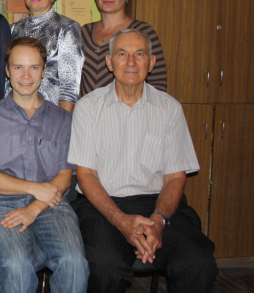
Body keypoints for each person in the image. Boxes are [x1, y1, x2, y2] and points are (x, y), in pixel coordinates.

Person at [68, 29, 217, 293]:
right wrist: (122, 221)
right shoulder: (88, 107)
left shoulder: (169, 108)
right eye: (122, 54)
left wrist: (158, 221)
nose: (131, 62)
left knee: (197, 260)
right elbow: (86, 174)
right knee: (105, 266)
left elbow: (175, 177)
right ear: (109, 62)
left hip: (159, 205)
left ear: (151, 62)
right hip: (103, 205)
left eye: (139, 54)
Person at [0, 37, 89, 293]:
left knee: (74, 263)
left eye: (34, 67)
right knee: (17, 265)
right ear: (7, 71)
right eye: (18, 67)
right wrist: (33, 188)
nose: (26, 76)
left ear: (44, 70)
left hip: (52, 203)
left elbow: (64, 176)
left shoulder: (62, 119)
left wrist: (34, 208)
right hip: (1, 203)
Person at [79, 0, 167, 97]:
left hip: (129, 108)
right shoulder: (83, 32)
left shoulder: (143, 32)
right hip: (86, 108)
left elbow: (158, 82)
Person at [8, 0, 83, 113]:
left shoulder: (66, 28)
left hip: (49, 115)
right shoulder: (12, 29)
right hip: (13, 114)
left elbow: (69, 85)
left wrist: (62, 121)